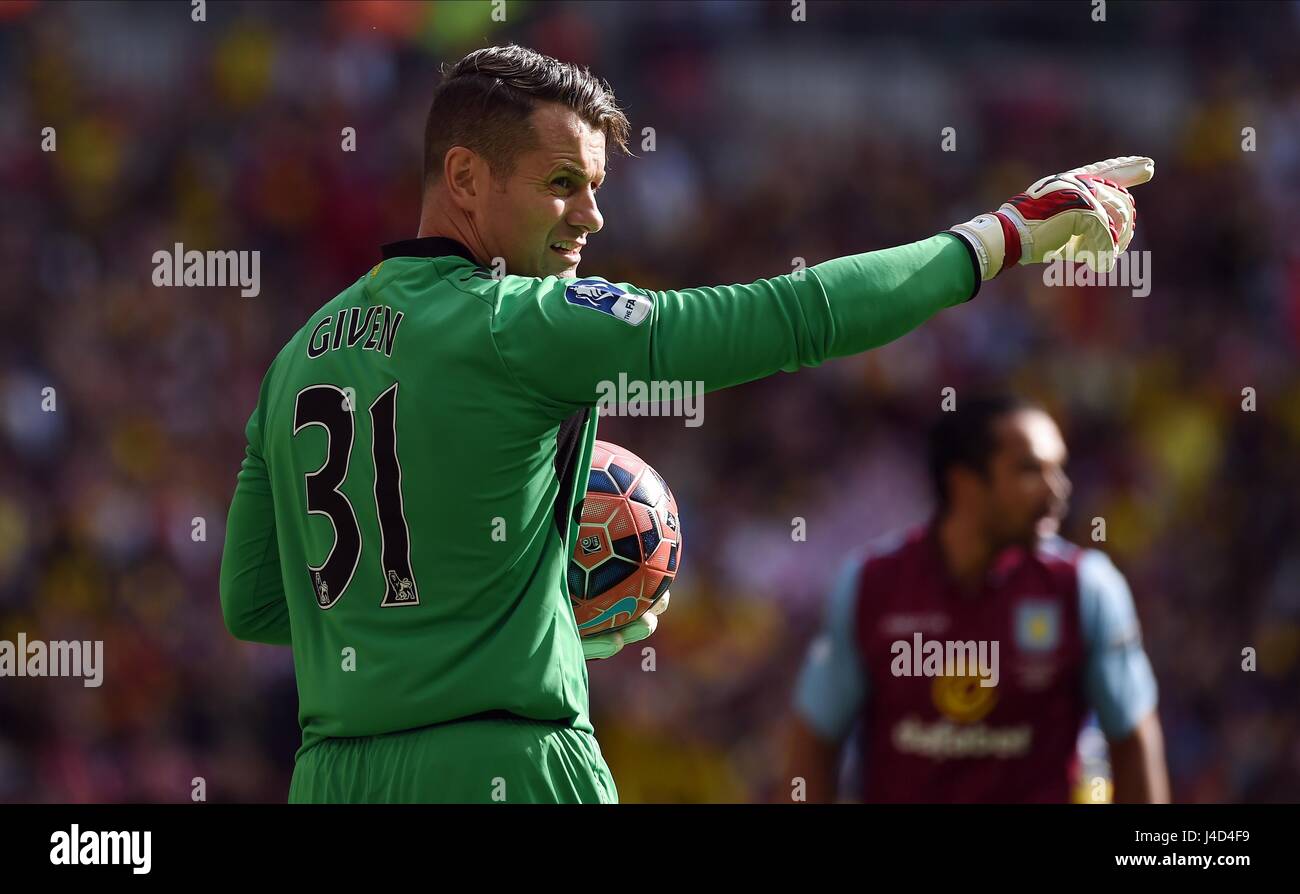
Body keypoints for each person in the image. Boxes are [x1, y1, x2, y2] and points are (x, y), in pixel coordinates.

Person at [219, 43, 1150, 803]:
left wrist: (494, 618)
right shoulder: (519, 321)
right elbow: (794, 317)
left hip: (332, 779)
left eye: (593, 185)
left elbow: (256, 604)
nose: (592, 214)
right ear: (464, 177)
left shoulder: (296, 356)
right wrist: (999, 238)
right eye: (561, 183)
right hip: (506, 766)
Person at [785, 395, 1170, 802]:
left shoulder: (1085, 589)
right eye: (1030, 471)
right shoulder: (871, 587)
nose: (1057, 490)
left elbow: (1133, 740)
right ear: (964, 484)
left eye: (1059, 469)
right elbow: (815, 741)